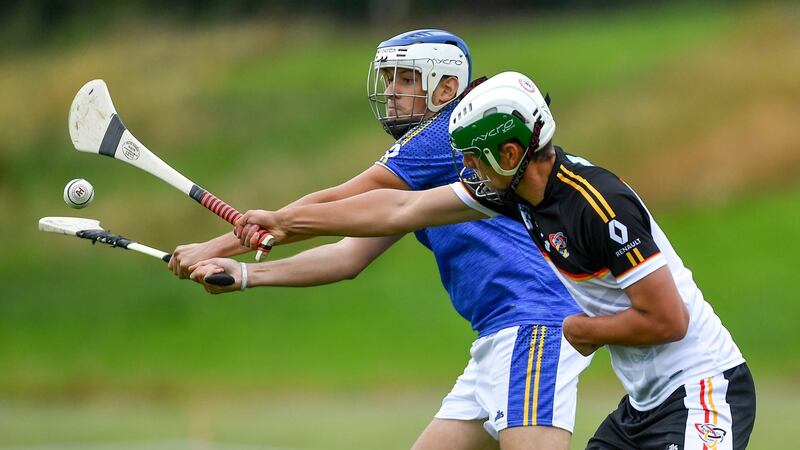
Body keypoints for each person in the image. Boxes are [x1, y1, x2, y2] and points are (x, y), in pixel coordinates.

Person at [214, 71, 757, 449]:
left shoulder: (597, 204)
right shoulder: (512, 190)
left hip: (704, 393)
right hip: (643, 406)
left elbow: (668, 319)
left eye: (474, 155)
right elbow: (400, 207)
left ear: (512, 151)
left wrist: (586, 330)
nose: (466, 167)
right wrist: (287, 223)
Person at [174, 32, 593, 450]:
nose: (391, 92)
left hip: (534, 324)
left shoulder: (445, 132)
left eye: (406, 80)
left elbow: (338, 201)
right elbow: (347, 256)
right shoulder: (433, 164)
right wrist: (246, 274)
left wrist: (214, 248)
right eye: (389, 79)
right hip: (497, 338)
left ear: (446, 88)